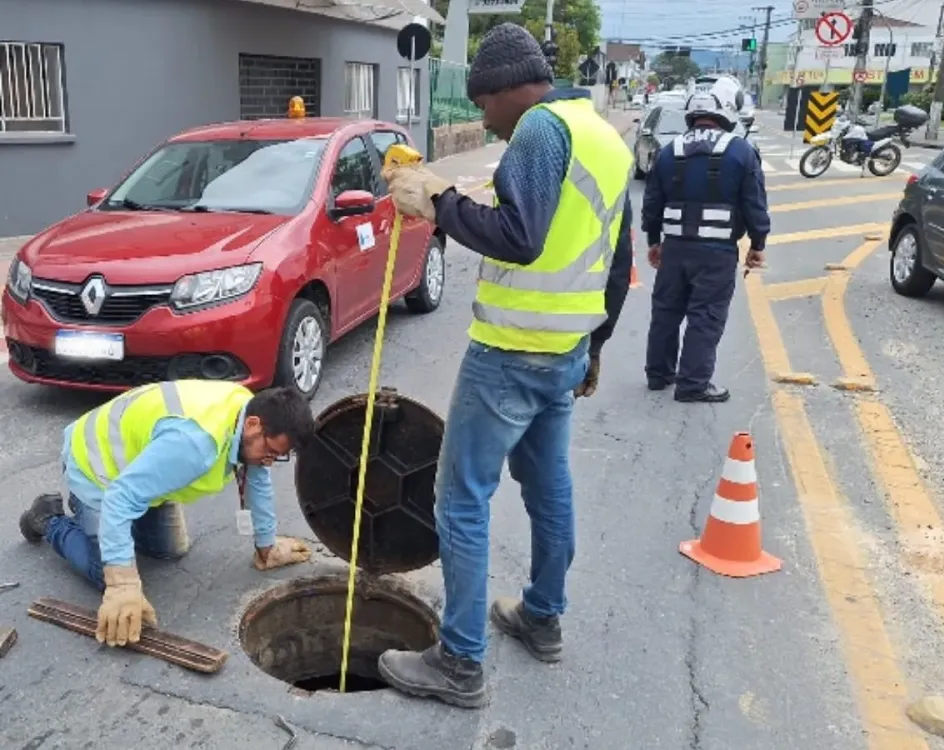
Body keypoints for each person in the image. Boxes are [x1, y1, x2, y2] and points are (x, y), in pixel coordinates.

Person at [373, 22, 635, 708]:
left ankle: (460, 662)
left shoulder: (540, 133)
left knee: (460, 500)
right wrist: (596, 348)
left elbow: (519, 237)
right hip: (564, 352)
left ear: (508, 89)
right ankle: (542, 617)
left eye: (485, 106)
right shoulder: (602, 135)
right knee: (549, 487)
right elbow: (618, 257)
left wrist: (437, 200)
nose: (484, 119)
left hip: (511, 353)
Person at [18, 380, 316, 646]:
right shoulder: (194, 446)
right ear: (253, 424)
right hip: (97, 472)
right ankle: (50, 520)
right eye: (272, 452)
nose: (271, 461)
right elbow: (120, 497)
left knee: (170, 551)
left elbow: (257, 477)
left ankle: (112, 525)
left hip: (142, 472)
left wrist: (267, 545)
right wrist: (122, 584)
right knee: (104, 571)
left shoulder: (246, 409)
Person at [642, 77, 770, 403]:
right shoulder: (741, 151)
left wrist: (654, 241)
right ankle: (693, 384)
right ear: (727, 107)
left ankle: (659, 375)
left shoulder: (670, 151)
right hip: (716, 252)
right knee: (706, 315)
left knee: (666, 311)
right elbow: (754, 203)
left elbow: (652, 203)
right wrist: (758, 244)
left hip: (674, 249)